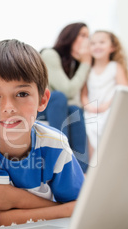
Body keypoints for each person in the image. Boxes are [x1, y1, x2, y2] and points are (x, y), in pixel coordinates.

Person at [0, 39, 85, 226]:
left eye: (22, 94)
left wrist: (18, 198)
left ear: (43, 100)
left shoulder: (55, 144)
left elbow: (81, 209)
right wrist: (63, 210)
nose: (9, 107)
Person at [39, 23, 91, 173]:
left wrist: (81, 64)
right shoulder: (50, 54)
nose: (86, 41)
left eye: (88, 37)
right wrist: (86, 64)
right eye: (82, 35)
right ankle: (59, 156)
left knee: (75, 109)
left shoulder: (74, 64)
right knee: (58, 97)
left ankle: (81, 171)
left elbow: (75, 101)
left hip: (59, 110)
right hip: (40, 108)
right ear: (70, 36)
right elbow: (67, 90)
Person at [81, 30, 128, 158]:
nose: (97, 46)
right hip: (92, 110)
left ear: (112, 47)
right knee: (88, 125)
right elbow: (84, 94)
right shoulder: (88, 70)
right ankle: (93, 166)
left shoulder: (115, 67)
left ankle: (112, 158)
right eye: (93, 43)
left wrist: (106, 106)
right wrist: (89, 106)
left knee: (110, 121)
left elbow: (123, 91)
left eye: (102, 42)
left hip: (110, 108)